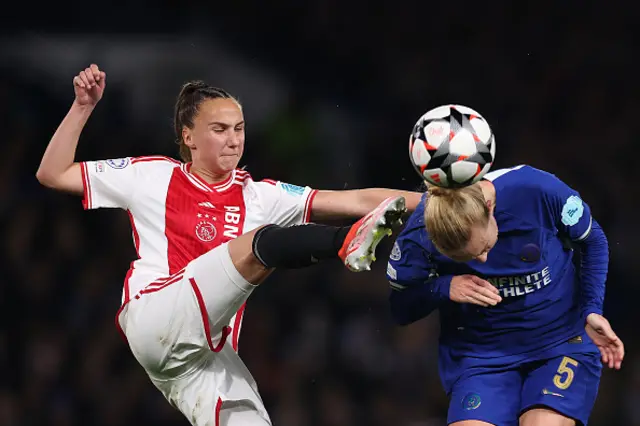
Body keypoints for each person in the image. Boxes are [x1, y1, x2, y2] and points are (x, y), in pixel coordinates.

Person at [37, 64, 422, 426]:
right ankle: (345, 243)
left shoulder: (258, 195)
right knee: (254, 245)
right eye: (219, 129)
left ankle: (345, 240)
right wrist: (82, 107)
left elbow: (354, 201)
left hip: (203, 357)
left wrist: (439, 204)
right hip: (154, 314)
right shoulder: (151, 175)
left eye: (239, 128)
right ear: (188, 137)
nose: (234, 140)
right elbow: (52, 173)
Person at [387, 164, 624, 426]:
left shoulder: (536, 190)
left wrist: (592, 309)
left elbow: (594, 240)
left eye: (485, 245)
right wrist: (444, 287)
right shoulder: (421, 233)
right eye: (466, 258)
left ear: (489, 208)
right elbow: (400, 308)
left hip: (560, 342)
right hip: (481, 359)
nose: (484, 259)